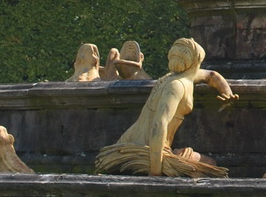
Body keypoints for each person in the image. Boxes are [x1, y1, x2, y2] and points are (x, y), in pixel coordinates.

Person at [93, 38, 235, 177]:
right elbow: (159, 125)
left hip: (130, 143)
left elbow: (211, 75)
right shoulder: (177, 86)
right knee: (210, 165)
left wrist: (227, 92)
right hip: (146, 150)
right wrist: (156, 171)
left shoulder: (179, 76)